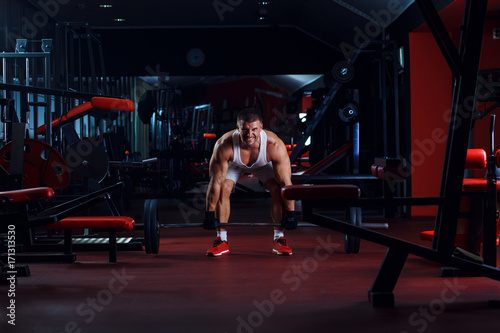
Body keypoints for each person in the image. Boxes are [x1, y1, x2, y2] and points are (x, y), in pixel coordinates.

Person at [203, 108, 296, 256]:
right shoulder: (224, 145)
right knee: (224, 188)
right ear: (237, 128)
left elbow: (286, 184)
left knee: (277, 188)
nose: (249, 134)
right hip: (234, 163)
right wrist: (209, 213)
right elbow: (215, 183)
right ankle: (221, 240)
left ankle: (279, 239)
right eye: (245, 129)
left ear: (261, 127)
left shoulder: (274, 146)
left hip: (263, 164)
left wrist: (291, 214)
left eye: (254, 129)